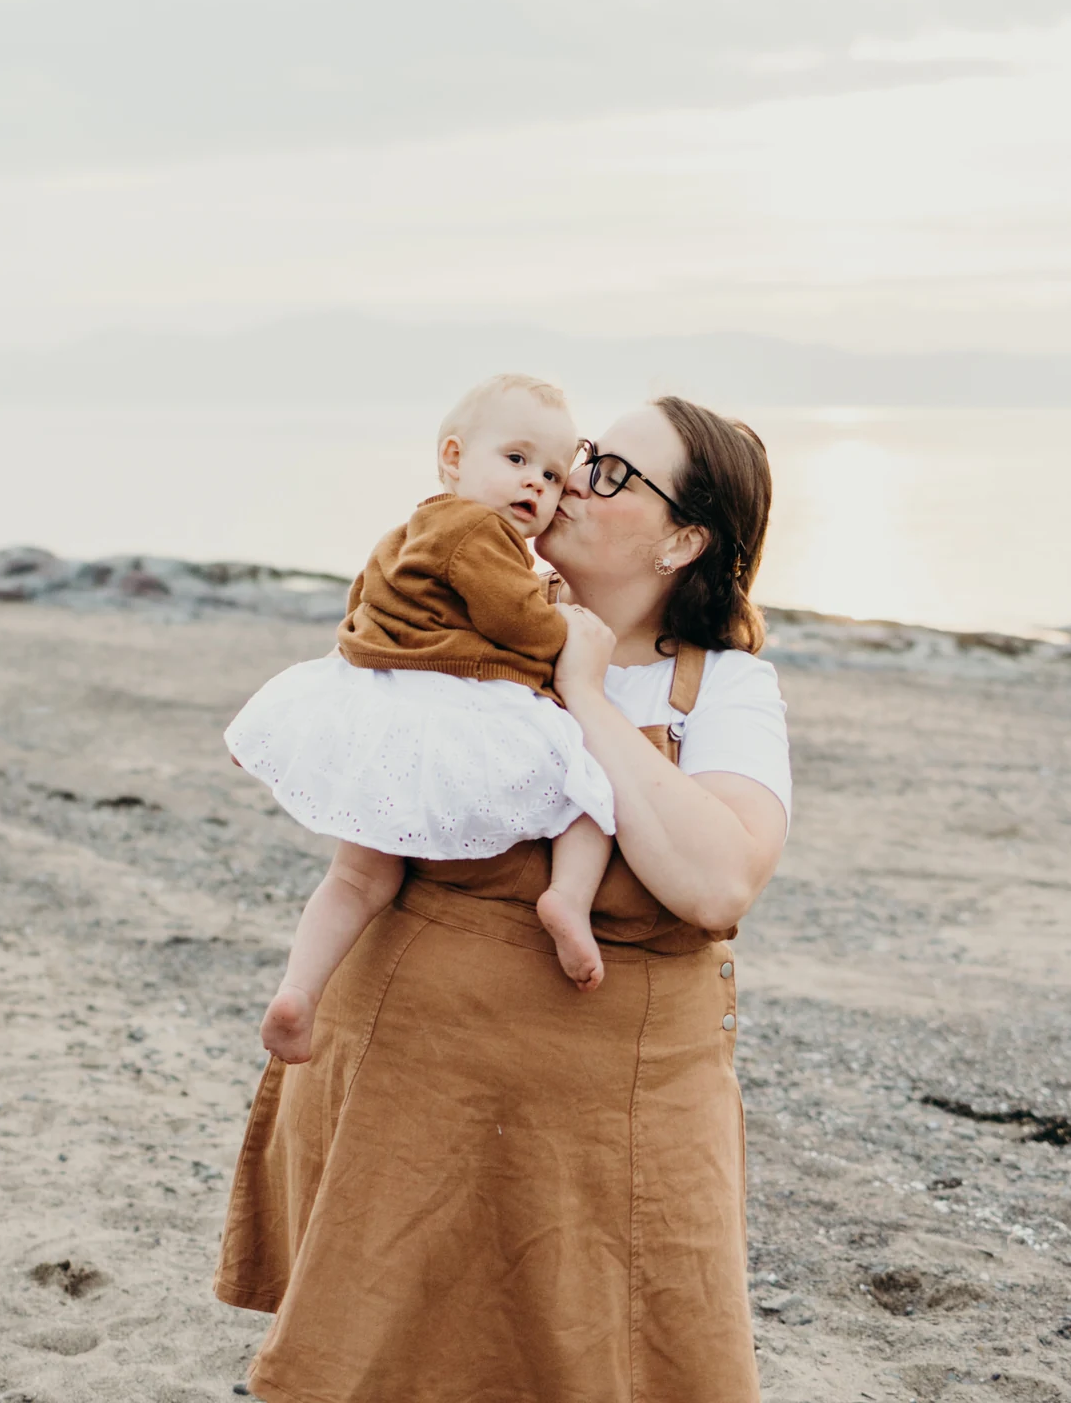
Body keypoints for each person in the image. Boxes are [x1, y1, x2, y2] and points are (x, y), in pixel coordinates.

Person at [215, 395, 791, 1403]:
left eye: (611, 472)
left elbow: (715, 879)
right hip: (409, 1087)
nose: (570, 477)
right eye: (582, 457)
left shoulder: (724, 688)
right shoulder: (458, 633)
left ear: (683, 539)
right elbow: (366, 831)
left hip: (613, 1124)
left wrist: (586, 691)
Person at [224, 373, 617, 1063]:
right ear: (454, 458)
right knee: (589, 789)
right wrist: (567, 629)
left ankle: (299, 991)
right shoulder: (480, 532)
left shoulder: (410, 530)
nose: (536, 486)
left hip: (395, 704)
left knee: (357, 877)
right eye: (517, 460)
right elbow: (515, 619)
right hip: (460, 705)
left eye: (554, 476)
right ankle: (568, 899)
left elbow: (361, 603)